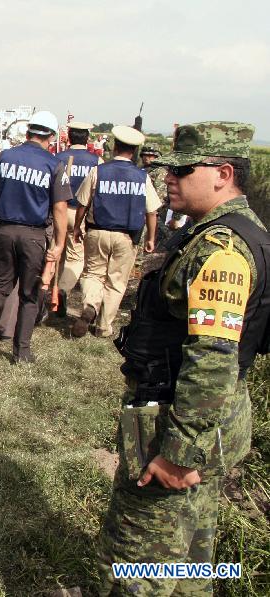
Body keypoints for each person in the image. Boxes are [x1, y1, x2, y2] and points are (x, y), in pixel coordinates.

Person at [98, 121, 266, 596]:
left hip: (177, 424)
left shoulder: (222, 249)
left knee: (141, 565)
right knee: (189, 557)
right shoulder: (208, 234)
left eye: (183, 169)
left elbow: (212, 358)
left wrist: (178, 453)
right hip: (201, 423)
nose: (168, 178)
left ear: (223, 173)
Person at [0, 111, 71, 364]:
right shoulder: (53, 165)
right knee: (29, 294)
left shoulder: (5, 157)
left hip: (3, 230)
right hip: (33, 236)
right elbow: (60, 209)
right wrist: (59, 244)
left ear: (28, 132)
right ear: (51, 137)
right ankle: (21, 351)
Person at [71, 126, 160, 338]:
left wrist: (77, 227)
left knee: (93, 273)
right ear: (135, 151)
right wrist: (151, 238)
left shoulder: (99, 171)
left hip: (97, 231)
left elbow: (83, 203)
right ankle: (103, 327)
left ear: (114, 147)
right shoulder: (141, 176)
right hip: (127, 237)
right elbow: (152, 210)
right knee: (116, 281)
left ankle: (90, 304)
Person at [54, 121, 103, 314]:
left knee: (56, 251)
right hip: (79, 213)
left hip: (59, 209)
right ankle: (62, 290)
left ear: (69, 137)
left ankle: (49, 288)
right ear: (87, 138)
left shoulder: (58, 158)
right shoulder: (96, 161)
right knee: (75, 257)